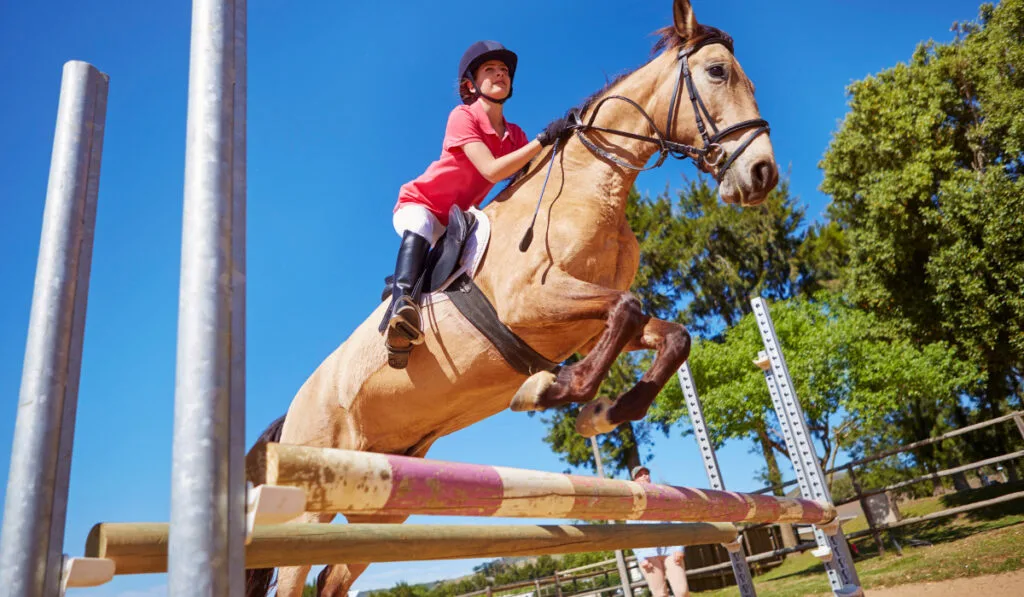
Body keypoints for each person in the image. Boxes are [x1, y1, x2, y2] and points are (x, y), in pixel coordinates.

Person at [383, 40, 575, 369]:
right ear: (471, 84)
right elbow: (490, 170)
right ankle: (400, 306)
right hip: (421, 203)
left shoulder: (514, 134)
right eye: (490, 69)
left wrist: (566, 141)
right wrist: (543, 140)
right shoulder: (462, 116)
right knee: (423, 225)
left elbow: (529, 177)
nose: (500, 74)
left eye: (504, 70)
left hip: (459, 222)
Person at [629, 466, 690, 597]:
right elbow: (632, 534)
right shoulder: (633, 503)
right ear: (634, 481)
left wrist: (679, 548)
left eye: (646, 473)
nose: (645, 476)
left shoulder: (662, 496)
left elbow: (676, 521)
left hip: (670, 550)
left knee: (682, 591)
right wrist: (641, 557)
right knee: (660, 594)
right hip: (648, 554)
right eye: (640, 475)